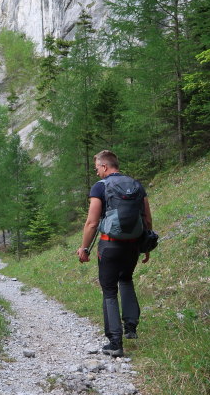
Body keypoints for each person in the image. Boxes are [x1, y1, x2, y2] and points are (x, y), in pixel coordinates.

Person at [76, 150, 153, 357]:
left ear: (104, 166)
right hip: (133, 245)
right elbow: (146, 218)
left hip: (110, 245)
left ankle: (115, 342)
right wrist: (145, 247)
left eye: (97, 169)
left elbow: (92, 222)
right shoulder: (136, 185)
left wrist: (84, 248)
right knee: (126, 279)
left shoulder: (100, 187)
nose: (97, 173)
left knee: (109, 290)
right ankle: (131, 328)